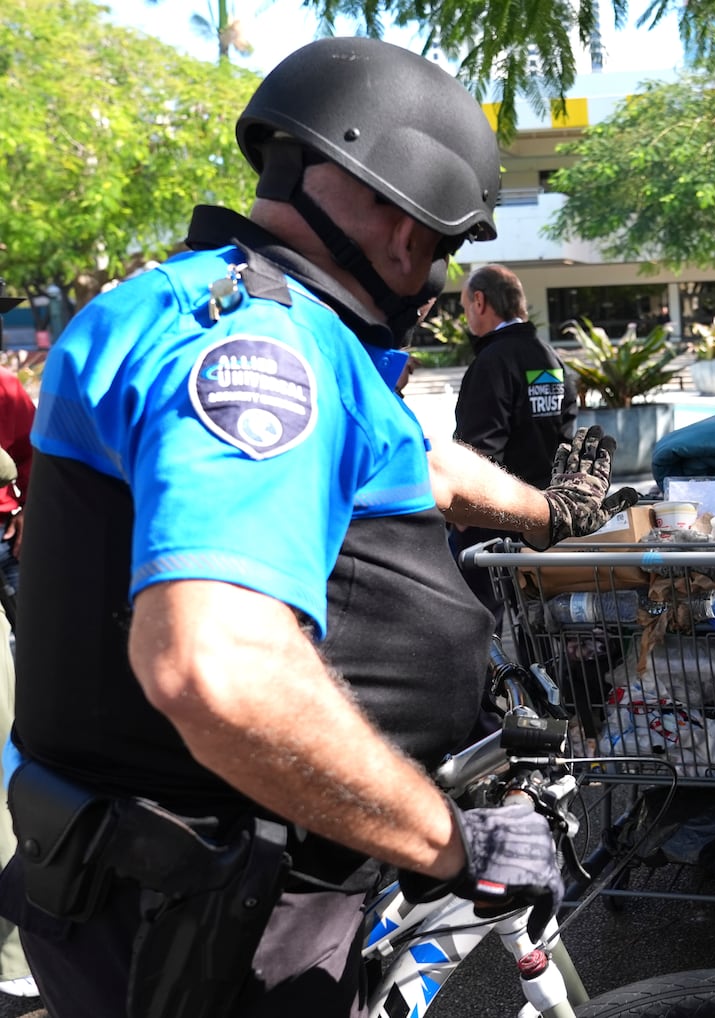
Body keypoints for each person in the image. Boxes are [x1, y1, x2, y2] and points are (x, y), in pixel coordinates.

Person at [0, 37, 624, 1018]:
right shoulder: (260, 342)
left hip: (212, 877)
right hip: (212, 911)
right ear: (394, 212)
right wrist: (452, 844)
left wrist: (551, 512)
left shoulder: (224, 309)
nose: (428, 269)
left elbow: (412, 467)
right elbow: (222, 672)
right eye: (436, 236)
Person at [452, 266, 579, 612]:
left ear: (480, 301)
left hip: (493, 513)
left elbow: (479, 445)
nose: (466, 319)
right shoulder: (550, 358)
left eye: (465, 308)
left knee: (478, 617)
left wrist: (464, 508)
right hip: (541, 511)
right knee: (537, 620)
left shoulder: (494, 361)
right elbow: (564, 431)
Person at [0, 368, 32, 613]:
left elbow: (34, 452)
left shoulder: (4, 383)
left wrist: (29, 510)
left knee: (39, 638)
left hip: (7, 535)